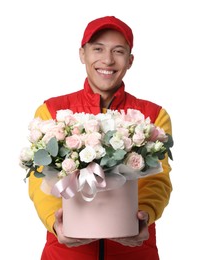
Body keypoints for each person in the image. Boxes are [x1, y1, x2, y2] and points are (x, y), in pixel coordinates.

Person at [28, 16, 173, 260]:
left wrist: (144, 215)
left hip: (133, 251)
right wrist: (56, 222)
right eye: (98, 49)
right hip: (66, 252)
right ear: (82, 54)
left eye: (118, 51)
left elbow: (157, 179)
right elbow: (40, 178)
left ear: (130, 60)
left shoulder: (152, 116)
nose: (107, 60)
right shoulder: (52, 111)